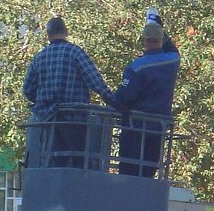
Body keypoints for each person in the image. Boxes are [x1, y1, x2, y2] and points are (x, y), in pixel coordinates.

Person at [23, 17, 122, 168]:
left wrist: (43, 101)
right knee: (78, 161)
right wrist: (113, 101)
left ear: (48, 34)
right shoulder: (75, 53)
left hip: (48, 120)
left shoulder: (40, 57)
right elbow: (94, 81)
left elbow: (28, 90)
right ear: (66, 31)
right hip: (74, 118)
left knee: (53, 163)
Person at [115, 15, 180, 177]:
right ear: (161, 38)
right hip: (158, 129)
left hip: (134, 129)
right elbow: (173, 49)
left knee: (128, 175)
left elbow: (125, 97)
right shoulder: (172, 61)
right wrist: (156, 22)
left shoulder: (136, 67)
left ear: (144, 39)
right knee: (149, 174)